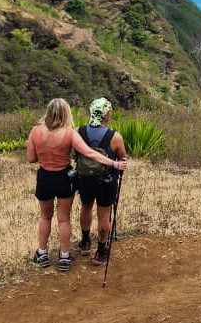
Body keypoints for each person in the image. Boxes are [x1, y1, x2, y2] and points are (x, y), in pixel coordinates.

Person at [26, 98, 125, 271]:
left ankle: (42, 254)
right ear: (66, 113)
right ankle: (65, 257)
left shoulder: (35, 131)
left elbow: (31, 158)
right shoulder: (70, 133)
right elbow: (89, 153)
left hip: (44, 176)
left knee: (44, 216)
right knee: (63, 219)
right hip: (64, 176)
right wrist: (114, 164)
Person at [76, 97, 129, 264]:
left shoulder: (79, 132)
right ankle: (101, 250)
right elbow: (122, 158)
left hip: (84, 178)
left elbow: (74, 155)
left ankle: (85, 242)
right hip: (106, 181)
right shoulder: (115, 137)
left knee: (86, 206)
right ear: (106, 114)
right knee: (104, 214)